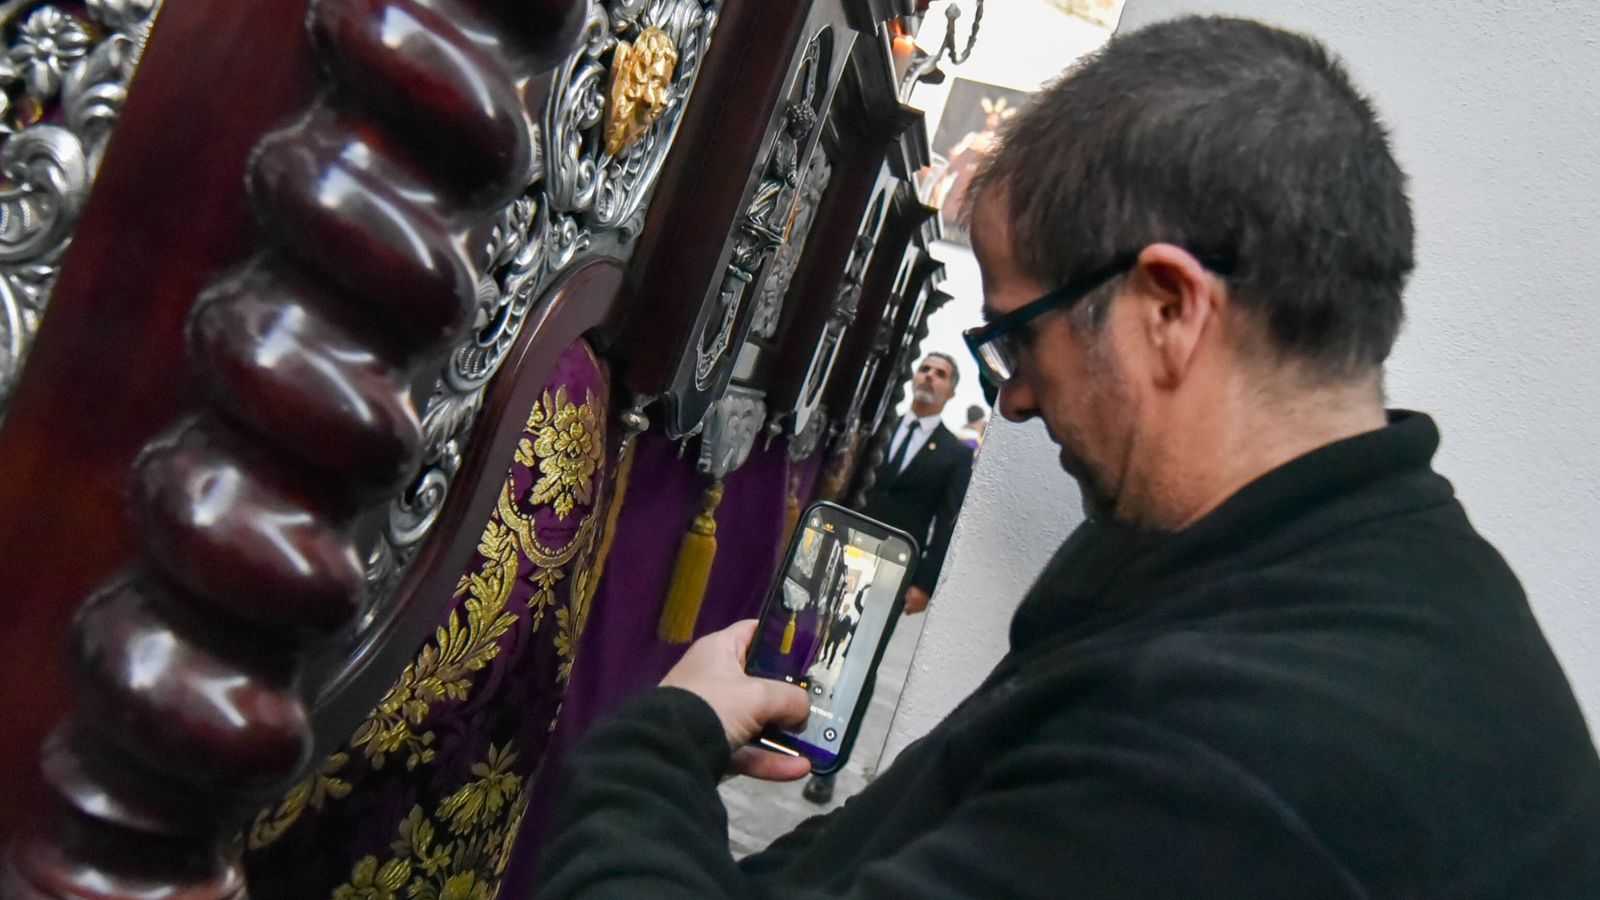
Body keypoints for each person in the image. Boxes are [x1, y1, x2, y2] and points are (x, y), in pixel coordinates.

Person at [535, 16, 1600, 897]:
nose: (1016, 397)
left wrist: (660, 740)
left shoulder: (1246, 756)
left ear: (1168, 308)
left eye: (1016, 337)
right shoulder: (1331, 567)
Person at [799, 351, 973, 803]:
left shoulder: (953, 454)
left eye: (940, 374)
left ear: (952, 392)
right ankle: (790, 727)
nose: (929, 377)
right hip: (843, 556)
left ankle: (828, 761)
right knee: (813, 646)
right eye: (925, 369)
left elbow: (948, 523)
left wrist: (925, 584)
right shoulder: (881, 428)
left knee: (860, 664)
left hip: (894, 572)